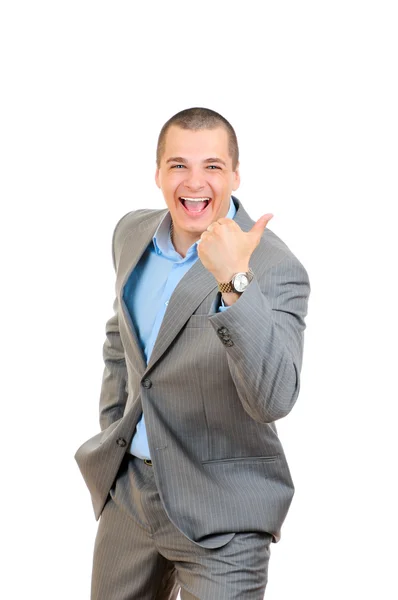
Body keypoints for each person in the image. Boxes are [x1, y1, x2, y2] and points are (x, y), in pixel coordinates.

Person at [75, 107, 311, 599]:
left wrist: (233, 283)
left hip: (222, 513)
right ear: (159, 173)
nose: (195, 182)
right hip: (131, 497)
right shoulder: (131, 234)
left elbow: (275, 398)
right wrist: (115, 426)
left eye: (213, 166)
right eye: (179, 165)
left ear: (235, 175)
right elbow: (121, 340)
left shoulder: (274, 265)